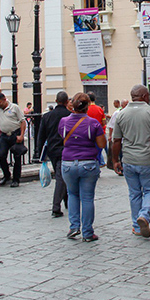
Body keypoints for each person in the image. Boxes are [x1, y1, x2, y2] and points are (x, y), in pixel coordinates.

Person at [112, 84, 150, 238]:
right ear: (144, 97)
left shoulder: (121, 114)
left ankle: (137, 227)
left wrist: (115, 160)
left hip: (129, 160)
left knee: (135, 193)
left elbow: (116, 140)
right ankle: (144, 215)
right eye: (149, 95)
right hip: (148, 160)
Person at [58, 92, 107, 242]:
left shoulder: (64, 122)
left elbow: (63, 138)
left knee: (72, 194)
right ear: (87, 107)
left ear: (72, 105)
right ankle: (87, 232)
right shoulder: (93, 123)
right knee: (87, 198)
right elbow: (102, 144)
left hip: (68, 162)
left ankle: (74, 227)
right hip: (88, 163)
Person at [36, 91, 72, 217]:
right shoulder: (70, 116)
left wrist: (39, 152)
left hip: (52, 150)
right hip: (65, 150)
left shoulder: (47, 116)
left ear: (56, 101)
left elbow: (41, 135)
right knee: (61, 178)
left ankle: (66, 201)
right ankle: (56, 206)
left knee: (62, 175)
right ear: (67, 102)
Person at [0, 92, 27, 188]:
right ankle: (7, 174)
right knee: (1, 155)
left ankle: (16, 179)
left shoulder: (14, 107)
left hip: (15, 134)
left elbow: (22, 121)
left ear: (4, 100)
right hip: (4, 135)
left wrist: (21, 135)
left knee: (17, 157)